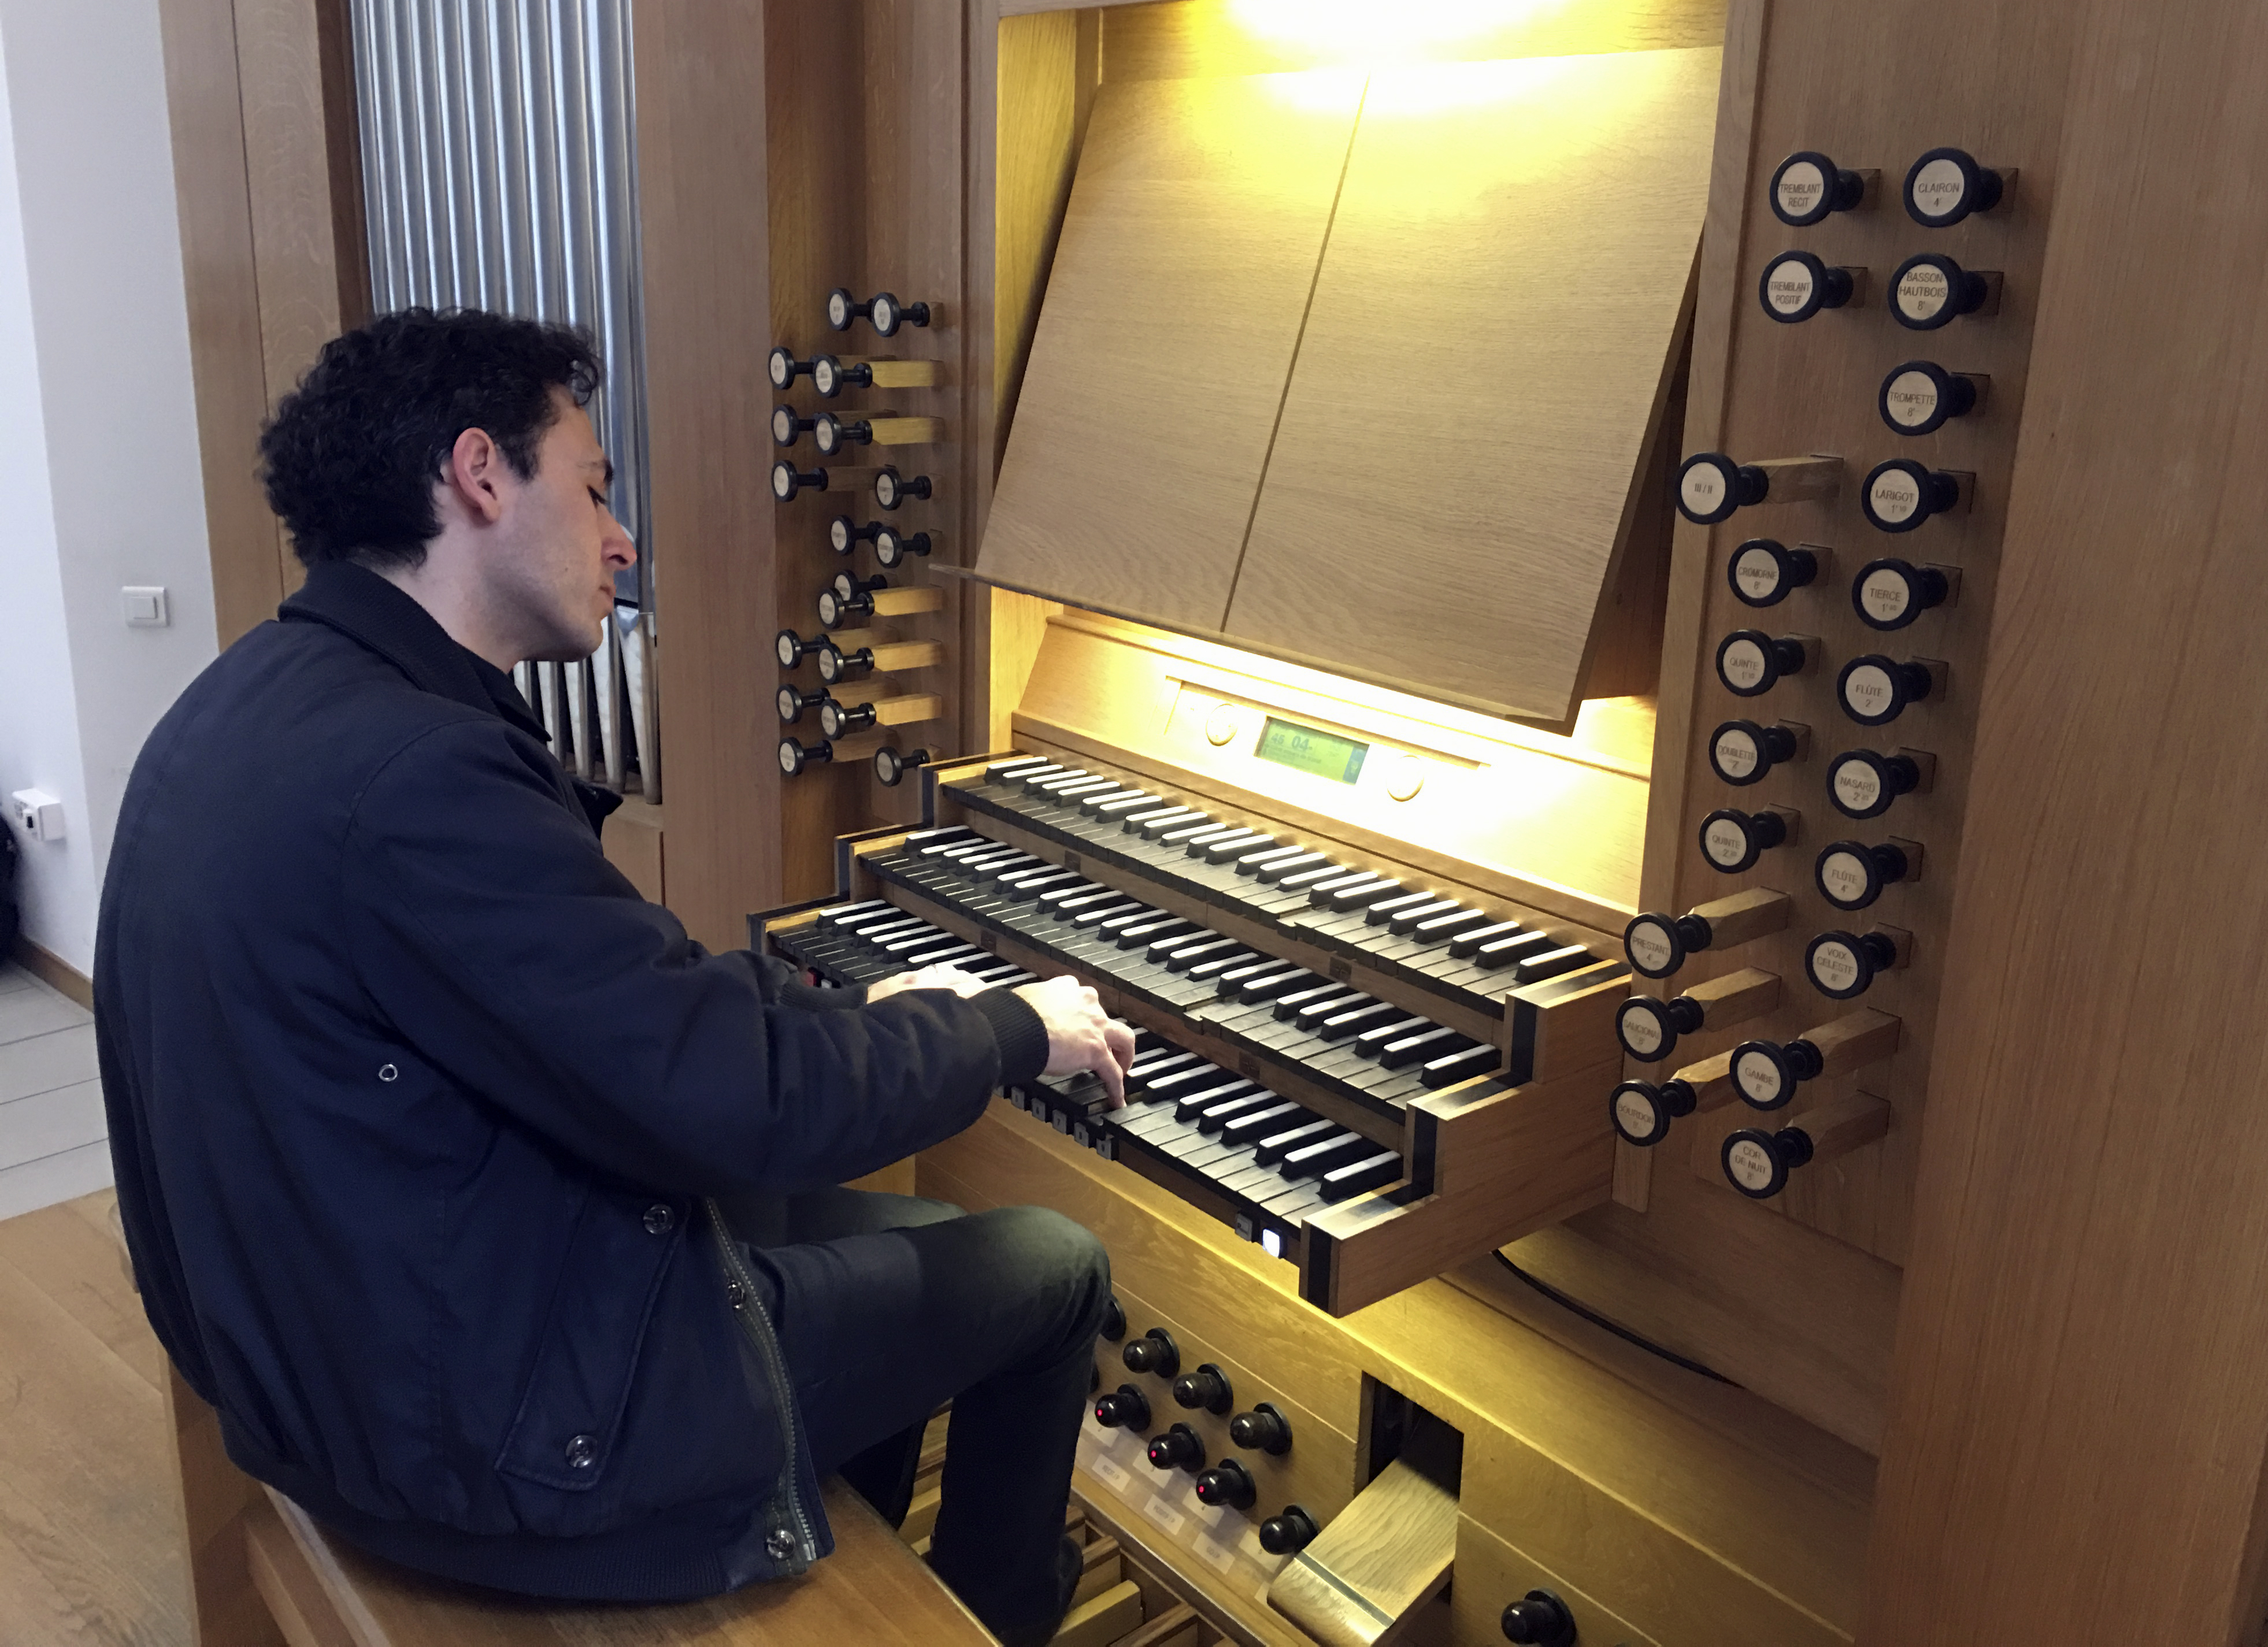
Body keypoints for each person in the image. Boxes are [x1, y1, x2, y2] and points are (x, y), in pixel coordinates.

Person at [94, 307, 1135, 1646]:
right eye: (592, 487)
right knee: (1054, 1267)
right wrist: (1008, 1027)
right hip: (476, 1441)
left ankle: (844, 1522)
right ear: (480, 475)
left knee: (893, 1224)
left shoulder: (263, 695)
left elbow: (611, 1008)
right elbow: (735, 1099)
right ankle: (988, 1621)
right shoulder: (419, 777)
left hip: (345, 1345)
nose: (623, 537)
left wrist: (855, 1017)